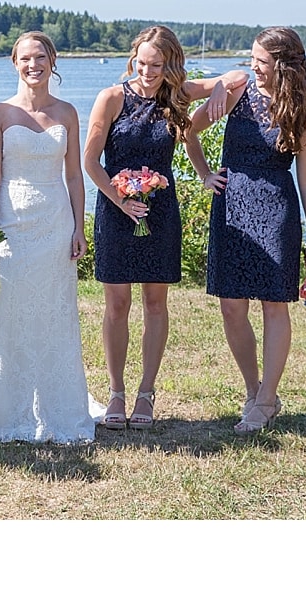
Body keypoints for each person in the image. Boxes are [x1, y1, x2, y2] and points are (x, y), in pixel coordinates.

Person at [83, 25, 245, 430]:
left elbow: (239, 78)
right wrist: (120, 200)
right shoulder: (112, 97)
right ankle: (116, 393)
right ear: (132, 59)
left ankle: (146, 393)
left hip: (160, 212)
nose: (149, 71)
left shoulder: (177, 94)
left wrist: (206, 171)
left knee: (156, 304)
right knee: (117, 305)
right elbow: (89, 161)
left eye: (157, 64)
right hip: (116, 210)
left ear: (170, 63)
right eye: (142, 63)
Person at [0, 32, 101, 443]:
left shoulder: (68, 112)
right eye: (25, 58)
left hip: (55, 223)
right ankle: (2, 408)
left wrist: (79, 227)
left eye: (40, 57)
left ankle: (57, 407)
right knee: (5, 315)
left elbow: (73, 174)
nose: (33, 65)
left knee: (54, 315)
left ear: (53, 61)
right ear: (14, 63)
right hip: (11, 224)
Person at [185, 27, 306, 433]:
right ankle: (253, 389)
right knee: (231, 305)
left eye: (261, 61)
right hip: (232, 203)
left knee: (273, 305)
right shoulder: (236, 90)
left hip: (278, 207)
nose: (253, 67)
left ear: (282, 65)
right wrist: (205, 174)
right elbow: (188, 131)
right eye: (252, 60)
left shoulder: (304, 113)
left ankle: (265, 401)